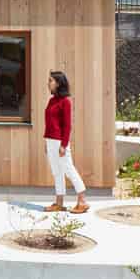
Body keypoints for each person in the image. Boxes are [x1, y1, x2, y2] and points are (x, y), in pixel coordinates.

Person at [43, 71, 88, 213]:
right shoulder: (52, 100)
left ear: (58, 83)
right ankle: (59, 202)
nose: (48, 83)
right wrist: (47, 142)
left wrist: (63, 145)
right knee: (57, 172)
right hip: (50, 140)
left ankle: (82, 201)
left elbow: (67, 126)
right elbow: (50, 123)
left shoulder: (65, 102)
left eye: (50, 80)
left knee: (69, 169)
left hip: (59, 142)